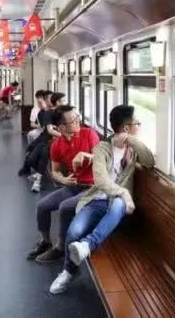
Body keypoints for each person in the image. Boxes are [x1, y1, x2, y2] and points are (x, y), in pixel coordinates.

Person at [49, 105, 155, 294]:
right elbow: (101, 181)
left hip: (119, 207)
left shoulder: (133, 150)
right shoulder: (101, 149)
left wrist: (129, 139)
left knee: (119, 202)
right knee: (74, 232)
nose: (139, 126)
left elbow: (150, 161)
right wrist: (125, 192)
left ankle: (87, 244)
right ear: (127, 127)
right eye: (137, 123)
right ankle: (68, 271)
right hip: (98, 200)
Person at [26, 105, 100, 263]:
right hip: (74, 186)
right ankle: (46, 241)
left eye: (77, 117)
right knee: (42, 206)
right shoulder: (56, 145)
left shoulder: (89, 134)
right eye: (73, 120)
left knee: (65, 207)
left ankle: (60, 248)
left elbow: (100, 158)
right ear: (61, 127)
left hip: (93, 188)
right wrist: (63, 180)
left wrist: (85, 155)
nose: (78, 121)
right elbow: (55, 171)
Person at [21, 92, 64, 193]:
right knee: (31, 159)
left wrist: (64, 135)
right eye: (62, 101)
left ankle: (38, 180)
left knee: (45, 152)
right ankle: (39, 174)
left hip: (55, 140)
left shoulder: (64, 113)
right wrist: (62, 135)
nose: (64, 103)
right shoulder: (47, 113)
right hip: (47, 138)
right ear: (57, 102)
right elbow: (49, 130)